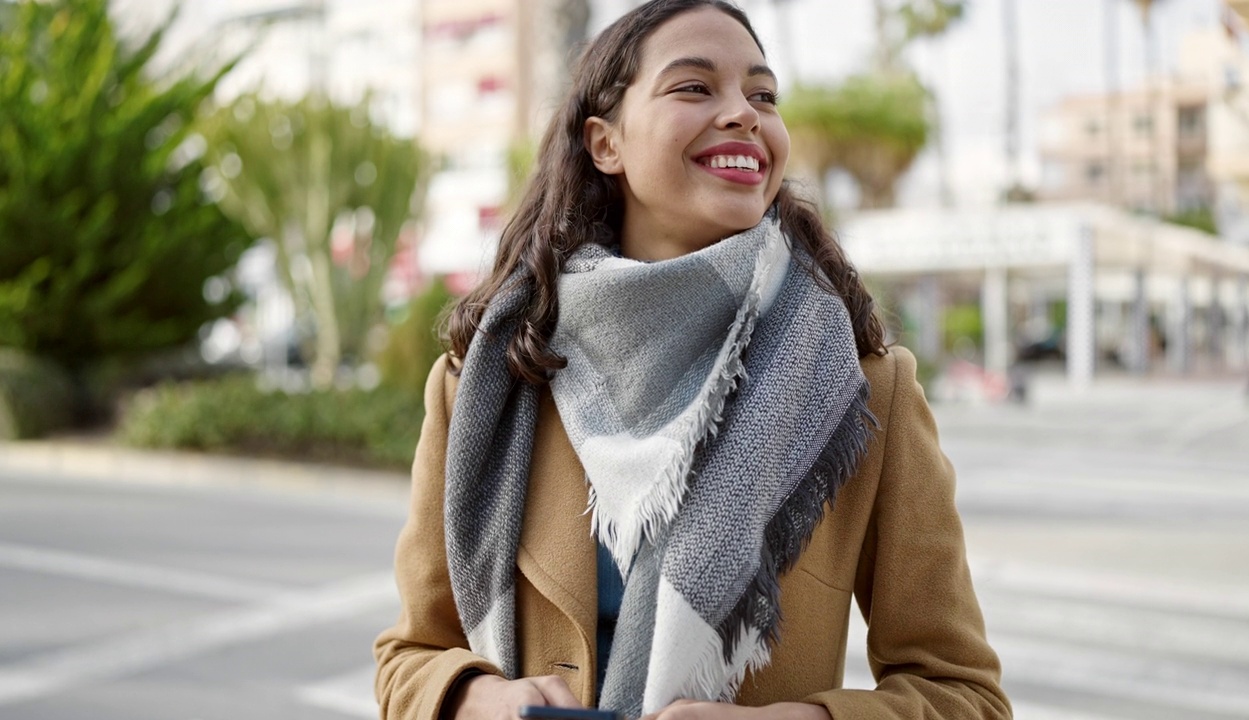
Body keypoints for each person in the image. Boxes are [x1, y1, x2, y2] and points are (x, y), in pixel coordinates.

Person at [373, 2, 1011, 719]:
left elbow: (965, 695)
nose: (743, 114)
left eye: (763, 95)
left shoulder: (859, 388)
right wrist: (479, 701)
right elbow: (411, 656)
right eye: (694, 87)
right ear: (604, 143)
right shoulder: (487, 384)